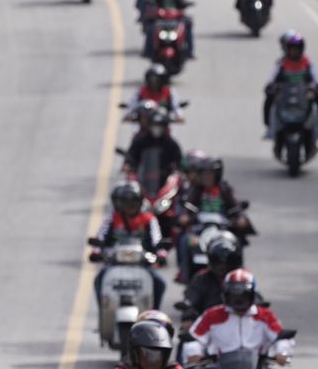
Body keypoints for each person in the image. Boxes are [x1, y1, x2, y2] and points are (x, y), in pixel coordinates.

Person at [185, 268, 293, 368]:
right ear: (226, 295)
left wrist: (282, 352)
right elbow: (194, 338)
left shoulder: (265, 315)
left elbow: (281, 337)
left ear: (252, 295)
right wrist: (194, 353)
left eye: (243, 295)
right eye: (234, 296)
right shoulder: (211, 315)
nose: (239, 300)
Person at [89, 179, 165, 307]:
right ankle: (104, 310)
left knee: (159, 283)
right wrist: (96, 251)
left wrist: (161, 253)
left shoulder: (149, 219)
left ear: (140, 202)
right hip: (115, 263)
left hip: (142, 263)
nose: (130, 206)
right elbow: (101, 237)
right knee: (99, 279)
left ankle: (154, 314)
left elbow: (157, 239)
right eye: (126, 203)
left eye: (133, 202)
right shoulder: (112, 219)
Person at [263, 30, 318, 133]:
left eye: (296, 49)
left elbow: (315, 77)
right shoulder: (282, 63)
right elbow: (273, 78)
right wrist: (270, 86)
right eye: (292, 49)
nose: (294, 51)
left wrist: (316, 86)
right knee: (269, 97)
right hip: (286, 95)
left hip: (303, 95)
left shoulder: (306, 62)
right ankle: (268, 127)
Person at [122, 102, 185, 195]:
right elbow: (131, 156)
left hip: (165, 180)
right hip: (143, 180)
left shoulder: (170, 143)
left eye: (159, 126)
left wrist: (180, 170)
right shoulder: (141, 141)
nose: (157, 129)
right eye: (154, 126)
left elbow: (179, 160)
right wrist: (127, 165)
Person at [180, 230, 244, 321]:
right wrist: (188, 318)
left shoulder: (242, 277)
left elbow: (255, 298)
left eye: (227, 262)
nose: (222, 266)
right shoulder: (201, 279)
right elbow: (190, 300)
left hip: (238, 323)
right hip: (208, 325)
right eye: (217, 262)